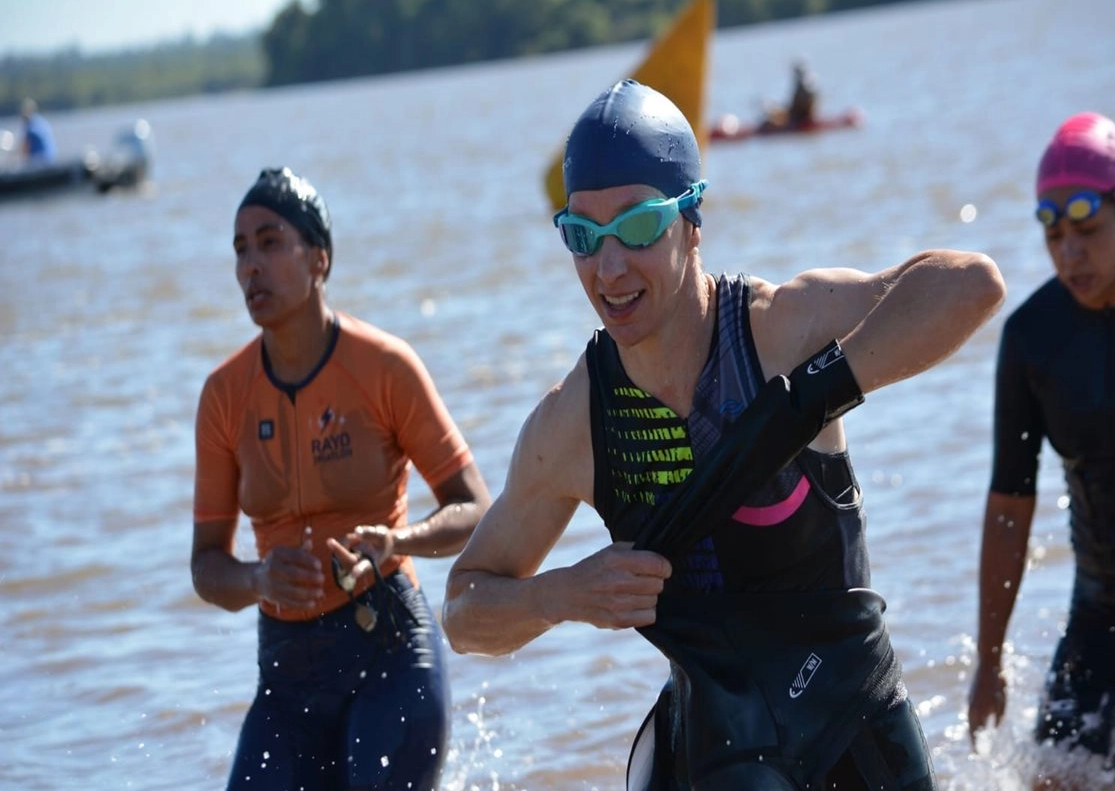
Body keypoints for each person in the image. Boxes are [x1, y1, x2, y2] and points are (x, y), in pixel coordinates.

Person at [442, 79, 1005, 789]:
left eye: (638, 226)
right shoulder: (574, 424)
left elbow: (970, 285)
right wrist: (560, 596)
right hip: (720, 752)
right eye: (583, 236)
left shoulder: (778, 331)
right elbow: (463, 610)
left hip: (854, 728)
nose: (609, 268)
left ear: (692, 218)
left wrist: (807, 401)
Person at [191, 167, 490, 791]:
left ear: (319, 258)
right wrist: (256, 577)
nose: (251, 265)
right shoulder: (224, 396)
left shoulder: (383, 367)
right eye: (240, 249)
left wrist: (398, 540)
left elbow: (474, 508)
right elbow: (205, 567)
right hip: (286, 673)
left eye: (270, 242)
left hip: (388, 649)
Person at [967, 112, 1115, 786]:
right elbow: (1010, 507)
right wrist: (989, 660)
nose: (1070, 254)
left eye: (1088, 231)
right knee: (1055, 780)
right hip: (1103, 615)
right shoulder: (1033, 342)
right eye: (1055, 235)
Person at [19, 98, 56, 163]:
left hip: (40, 161)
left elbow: (24, 149)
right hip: (51, 159)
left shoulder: (30, 127)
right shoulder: (41, 121)